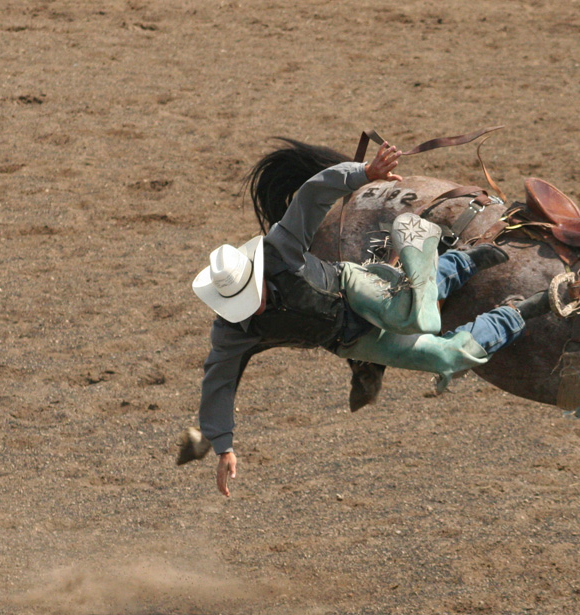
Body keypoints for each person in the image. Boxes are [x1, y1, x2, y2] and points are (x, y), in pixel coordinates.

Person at [187, 142, 548, 496]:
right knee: (446, 357)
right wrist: (223, 446)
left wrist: (364, 173)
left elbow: (312, 193)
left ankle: (439, 253)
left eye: (254, 296)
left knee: (410, 316)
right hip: (351, 341)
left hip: (351, 287)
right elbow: (218, 382)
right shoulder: (232, 333)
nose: (254, 308)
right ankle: (515, 312)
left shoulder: (280, 248)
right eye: (245, 306)